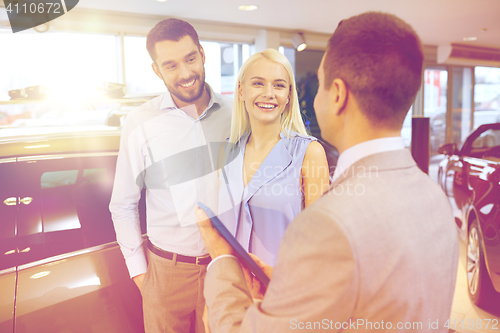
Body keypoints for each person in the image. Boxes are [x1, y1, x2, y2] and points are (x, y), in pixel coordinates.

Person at [195, 11, 459, 332]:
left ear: (337, 95)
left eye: (318, 85)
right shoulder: (435, 196)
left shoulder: (327, 220)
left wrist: (221, 261)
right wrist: (290, 288)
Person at [109, 18, 232, 333]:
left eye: (190, 59)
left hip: (225, 267)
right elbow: (122, 203)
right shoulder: (139, 122)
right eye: (171, 65)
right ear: (156, 70)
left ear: (202, 53)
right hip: (165, 271)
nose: (186, 73)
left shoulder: (236, 114)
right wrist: (139, 272)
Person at [218, 49, 329, 266]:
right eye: (258, 83)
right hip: (231, 288)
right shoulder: (227, 152)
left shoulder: (309, 153)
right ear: (241, 91)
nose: (269, 93)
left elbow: (319, 241)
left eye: (278, 85)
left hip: (283, 289)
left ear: (289, 96)